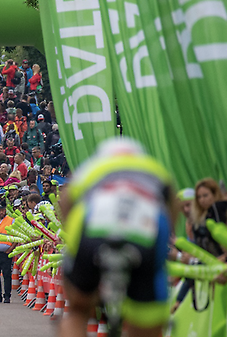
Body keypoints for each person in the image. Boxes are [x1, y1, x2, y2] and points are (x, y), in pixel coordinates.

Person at [58, 138, 179, 337]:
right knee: (148, 325)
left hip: (93, 232)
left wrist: (72, 239)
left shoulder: (95, 166)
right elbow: (173, 206)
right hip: (144, 235)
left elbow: (66, 200)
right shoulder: (154, 168)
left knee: (78, 311)